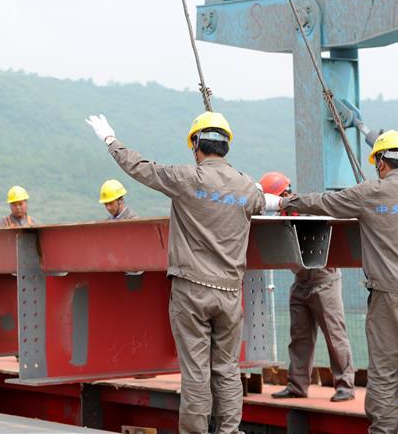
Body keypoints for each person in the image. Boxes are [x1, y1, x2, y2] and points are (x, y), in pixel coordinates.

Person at [266, 130, 398, 434]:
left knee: (385, 374)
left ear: (381, 163)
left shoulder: (370, 192)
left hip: (389, 296)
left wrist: (286, 203)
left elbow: (324, 203)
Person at [87, 111, 265, 434]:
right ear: (226, 145)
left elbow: (141, 169)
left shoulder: (186, 179)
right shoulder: (245, 186)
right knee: (226, 369)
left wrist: (110, 140)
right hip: (230, 294)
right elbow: (265, 201)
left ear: (196, 144)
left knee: (196, 373)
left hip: (192, 290)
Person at [260, 171, 355, 403]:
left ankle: (345, 386)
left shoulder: (308, 209)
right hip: (301, 280)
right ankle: (297, 385)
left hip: (324, 279)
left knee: (335, 335)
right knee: (299, 336)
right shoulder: (280, 217)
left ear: (283, 194)